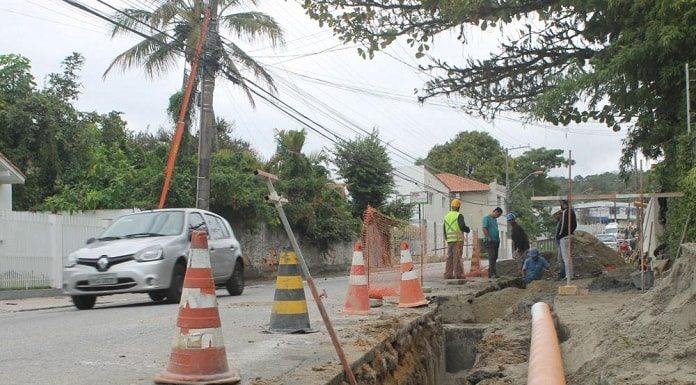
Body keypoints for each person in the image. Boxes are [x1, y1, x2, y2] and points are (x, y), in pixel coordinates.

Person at [443, 198, 470, 279]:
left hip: (450, 240)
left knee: (450, 257)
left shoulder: (446, 216)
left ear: (452, 207)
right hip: (458, 240)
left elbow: (444, 229)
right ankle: (458, 274)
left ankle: (448, 274)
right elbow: (462, 226)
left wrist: (447, 238)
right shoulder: (459, 215)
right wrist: (467, 229)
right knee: (457, 257)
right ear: (459, 207)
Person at [556, 199, 577, 281]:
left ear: (562, 203)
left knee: (565, 258)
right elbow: (575, 224)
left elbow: (563, 225)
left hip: (564, 237)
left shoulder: (566, 212)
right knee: (569, 257)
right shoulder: (572, 211)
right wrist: (571, 232)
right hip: (569, 235)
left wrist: (560, 235)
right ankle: (570, 275)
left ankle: (568, 276)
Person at [482, 207, 503, 278]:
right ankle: (492, 274)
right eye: (498, 214)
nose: (498, 216)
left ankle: (492, 272)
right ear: (496, 211)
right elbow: (484, 228)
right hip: (490, 241)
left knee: (495, 257)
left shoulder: (495, 220)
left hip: (496, 241)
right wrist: (488, 237)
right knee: (492, 256)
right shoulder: (486, 218)